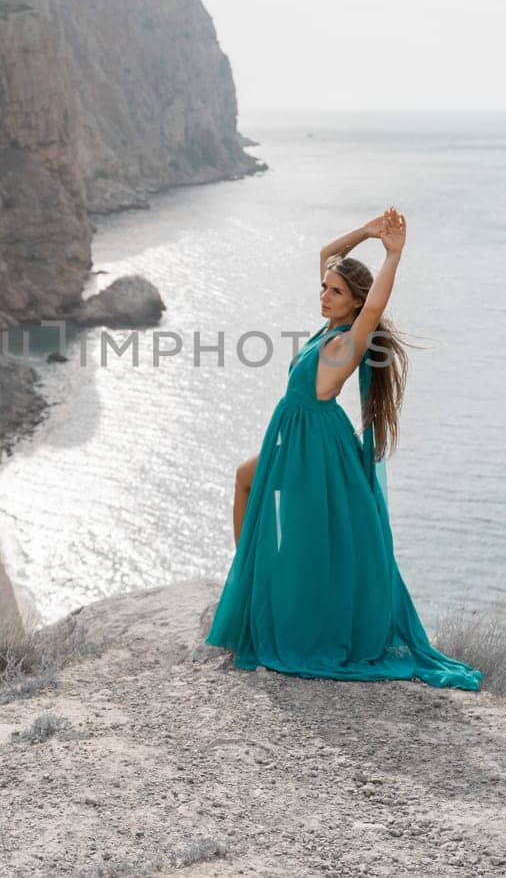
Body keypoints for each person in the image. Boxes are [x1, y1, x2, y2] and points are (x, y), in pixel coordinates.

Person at [204, 208, 483, 690]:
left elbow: (374, 306)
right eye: (324, 288)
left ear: (353, 304)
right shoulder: (329, 330)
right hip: (294, 437)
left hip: (314, 449)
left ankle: (259, 594)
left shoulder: (350, 341)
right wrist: (369, 231)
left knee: (303, 531)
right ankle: (251, 584)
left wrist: (392, 255)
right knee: (246, 481)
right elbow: (327, 254)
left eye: (335, 292)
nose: (324, 295)